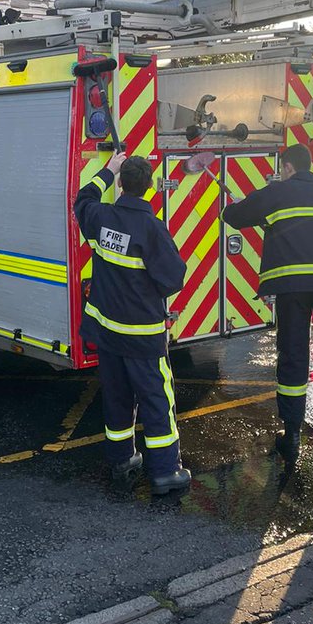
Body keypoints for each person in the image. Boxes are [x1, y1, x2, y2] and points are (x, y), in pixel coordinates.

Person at [222, 142, 313, 466]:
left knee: (292, 354)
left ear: (288, 168)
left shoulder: (275, 192)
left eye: (282, 169)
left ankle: (290, 434)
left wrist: (233, 204)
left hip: (291, 288)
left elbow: (234, 217)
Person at [74, 151, 190, 494]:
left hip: (108, 333)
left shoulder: (99, 217)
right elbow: (173, 279)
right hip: (143, 337)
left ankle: (122, 461)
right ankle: (165, 472)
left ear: (122, 183)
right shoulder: (151, 229)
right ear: (150, 186)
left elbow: (83, 198)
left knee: (117, 397)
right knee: (157, 401)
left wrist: (107, 170)